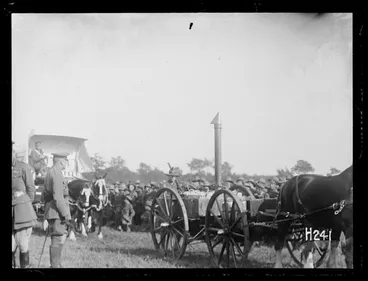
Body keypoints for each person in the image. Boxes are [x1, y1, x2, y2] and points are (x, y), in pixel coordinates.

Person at [42, 153, 72, 268]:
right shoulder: (57, 174)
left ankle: (56, 264)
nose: (67, 164)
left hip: (52, 210)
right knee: (57, 239)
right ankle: (55, 265)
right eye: (66, 161)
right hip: (57, 212)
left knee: (58, 237)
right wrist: (65, 214)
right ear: (61, 162)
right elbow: (58, 197)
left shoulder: (50, 172)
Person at [12, 141, 38, 268]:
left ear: (13, 153)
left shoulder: (23, 167)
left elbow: (31, 190)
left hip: (21, 211)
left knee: (22, 244)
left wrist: (24, 203)